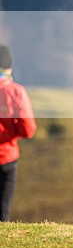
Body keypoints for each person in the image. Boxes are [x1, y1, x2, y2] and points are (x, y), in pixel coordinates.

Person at [0, 44, 37, 222]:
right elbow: (28, 129)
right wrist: (11, 133)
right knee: (2, 211)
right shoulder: (16, 92)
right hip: (6, 158)